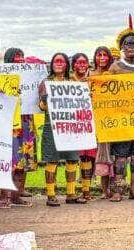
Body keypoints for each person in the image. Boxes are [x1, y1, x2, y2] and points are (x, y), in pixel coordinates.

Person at [107, 16, 134, 202]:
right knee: (120, 158)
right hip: (121, 120)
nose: (131, 48)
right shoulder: (115, 67)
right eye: (128, 45)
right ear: (122, 48)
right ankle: (118, 190)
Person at [39, 52, 87, 206]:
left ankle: (71, 194)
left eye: (62, 61)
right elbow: (41, 106)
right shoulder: (46, 83)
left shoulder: (72, 82)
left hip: (69, 127)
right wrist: (46, 101)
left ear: (67, 65)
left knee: (72, 159)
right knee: (51, 160)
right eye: (56, 61)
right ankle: (51, 195)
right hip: (51, 126)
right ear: (52, 64)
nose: (59, 64)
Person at [0, 47, 34, 208]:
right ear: (10, 59)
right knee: (10, 160)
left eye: (22, 56)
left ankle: (16, 195)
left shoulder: (30, 77)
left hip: (26, 120)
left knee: (23, 160)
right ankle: (4, 197)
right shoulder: (2, 77)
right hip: (11, 122)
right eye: (17, 56)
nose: (21, 59)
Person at [70, 53, 96, 200]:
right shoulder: (69, 82)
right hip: (73, 124)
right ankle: (72, 191)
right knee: (76, 157)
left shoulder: (91, 81)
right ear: (74, 65)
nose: (81, 65)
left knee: (88, 157)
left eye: (84, 63)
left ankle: (86, 190)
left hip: (89, 123)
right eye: (79, 63)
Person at [91, 46, 114, 199]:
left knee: (113, 154)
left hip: (112, 119)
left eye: (105, 55)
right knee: (100, 154)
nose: (102, 58)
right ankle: (103, 190)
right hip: (95, 119)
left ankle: (113, 189)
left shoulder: (113, 74)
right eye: (99, 55)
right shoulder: (90, 75)